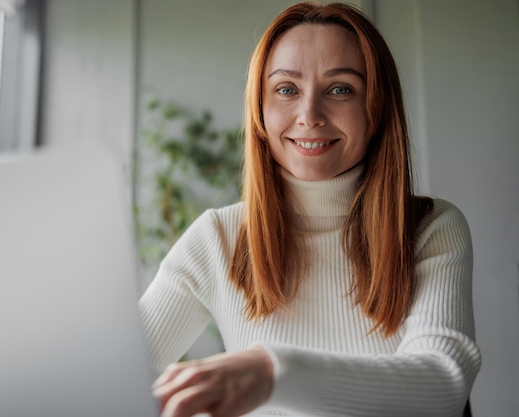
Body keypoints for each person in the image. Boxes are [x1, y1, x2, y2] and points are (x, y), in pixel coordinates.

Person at [138, 2, 482, 416]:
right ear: (260, 110)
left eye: (340, 89)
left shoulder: (430, 229)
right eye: (286, 89)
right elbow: (107, 376)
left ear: (375, 109)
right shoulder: (218, 238)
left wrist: (271, 373)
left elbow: (442, 384)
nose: (310, 116)